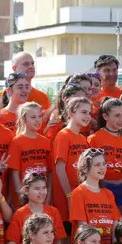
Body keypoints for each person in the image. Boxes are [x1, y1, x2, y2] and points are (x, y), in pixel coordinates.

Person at [6, 172, 68, 244]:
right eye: (37, 188)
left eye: (44, 188)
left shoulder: (54, 211)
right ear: (26, 190)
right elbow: (13, 239)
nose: (42, 192)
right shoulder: (20, 213)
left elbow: (58, 239)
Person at [69, 148, 121, 244]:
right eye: (97, 165)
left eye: (103, 164)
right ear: (84, 168)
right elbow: (83, 228)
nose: (102, 168)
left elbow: (116, 223)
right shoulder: (78, 193)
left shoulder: (108, 194)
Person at [88, 98, 122, 210]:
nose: (121, 119)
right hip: (103, 186)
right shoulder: (94, 139)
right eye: (117, 115)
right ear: (105, 116)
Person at [53, 96, 92, 224]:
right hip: (65, 196)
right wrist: (69, 195)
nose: (87, 116)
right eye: (84, 112)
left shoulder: (83, 139)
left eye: (89, 113)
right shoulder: (63, 135)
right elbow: (60, 169)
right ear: (71, 113)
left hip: (78, 195)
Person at [8, 102, 53, 208]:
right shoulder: (17, 142)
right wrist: (21, 195)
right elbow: (15, 173)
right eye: (33, 117)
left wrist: (49, 195)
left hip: (42, 194)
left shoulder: (46, 142)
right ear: (23, 119)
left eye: (40, 116)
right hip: (25, 197)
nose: (38, 120)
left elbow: (50, 172)